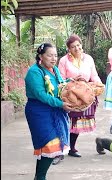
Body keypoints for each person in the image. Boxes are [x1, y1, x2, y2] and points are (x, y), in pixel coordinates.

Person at [24, 43, 73, 179]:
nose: (53, 58)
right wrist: (60, 104)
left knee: (53, 146)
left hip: (54, 111)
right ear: (40, 56)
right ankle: (40, 177)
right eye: (49, 55)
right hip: (39, 112)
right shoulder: (34, 72)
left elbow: (61, 85)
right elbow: (41, 95)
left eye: (55, 55)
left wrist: (72, 81)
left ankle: (39, 177)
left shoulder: (54, 69)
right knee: (48, 144)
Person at [58, 34, 102, 160]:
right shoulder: (63, 61)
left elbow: (94, 75)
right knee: (67, 122)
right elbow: (60, 79)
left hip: (85, 96)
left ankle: (71, 147)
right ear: (69, 49)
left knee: (77, 123)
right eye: (73, 47)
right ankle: (62, 147)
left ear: (81, 45)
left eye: (78, 45)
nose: (76, 48)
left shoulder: (88, 59)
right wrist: (72, 79)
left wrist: (99, 85)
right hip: (70, 95)